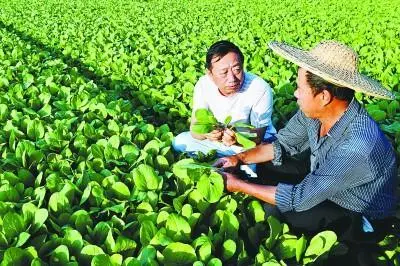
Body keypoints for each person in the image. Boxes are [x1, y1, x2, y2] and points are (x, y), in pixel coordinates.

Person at [214, 40, 398, 262]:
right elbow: (282, 144)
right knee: (267, 165)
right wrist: (238, 158)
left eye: (300, 88)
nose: (295, 94)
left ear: (324, 97)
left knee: (282, 210)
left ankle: (354, 248)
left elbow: (300, 198)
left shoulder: (359, 144)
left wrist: (238, 186)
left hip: (357, 212)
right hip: (324, 178)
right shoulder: (314, 113)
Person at [173, 40, 276, 157]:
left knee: (252, 167)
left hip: (251, 144)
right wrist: (207, 134)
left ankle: (228, 162)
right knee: (179, 142)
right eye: (224, 72)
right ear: (210, 74)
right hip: (218, 142)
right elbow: (195, 129)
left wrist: (236, 138)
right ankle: (226, 160)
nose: (232, 78)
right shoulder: (203, 85)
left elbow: (258, 135)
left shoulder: (259, 88)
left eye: (237, 70)